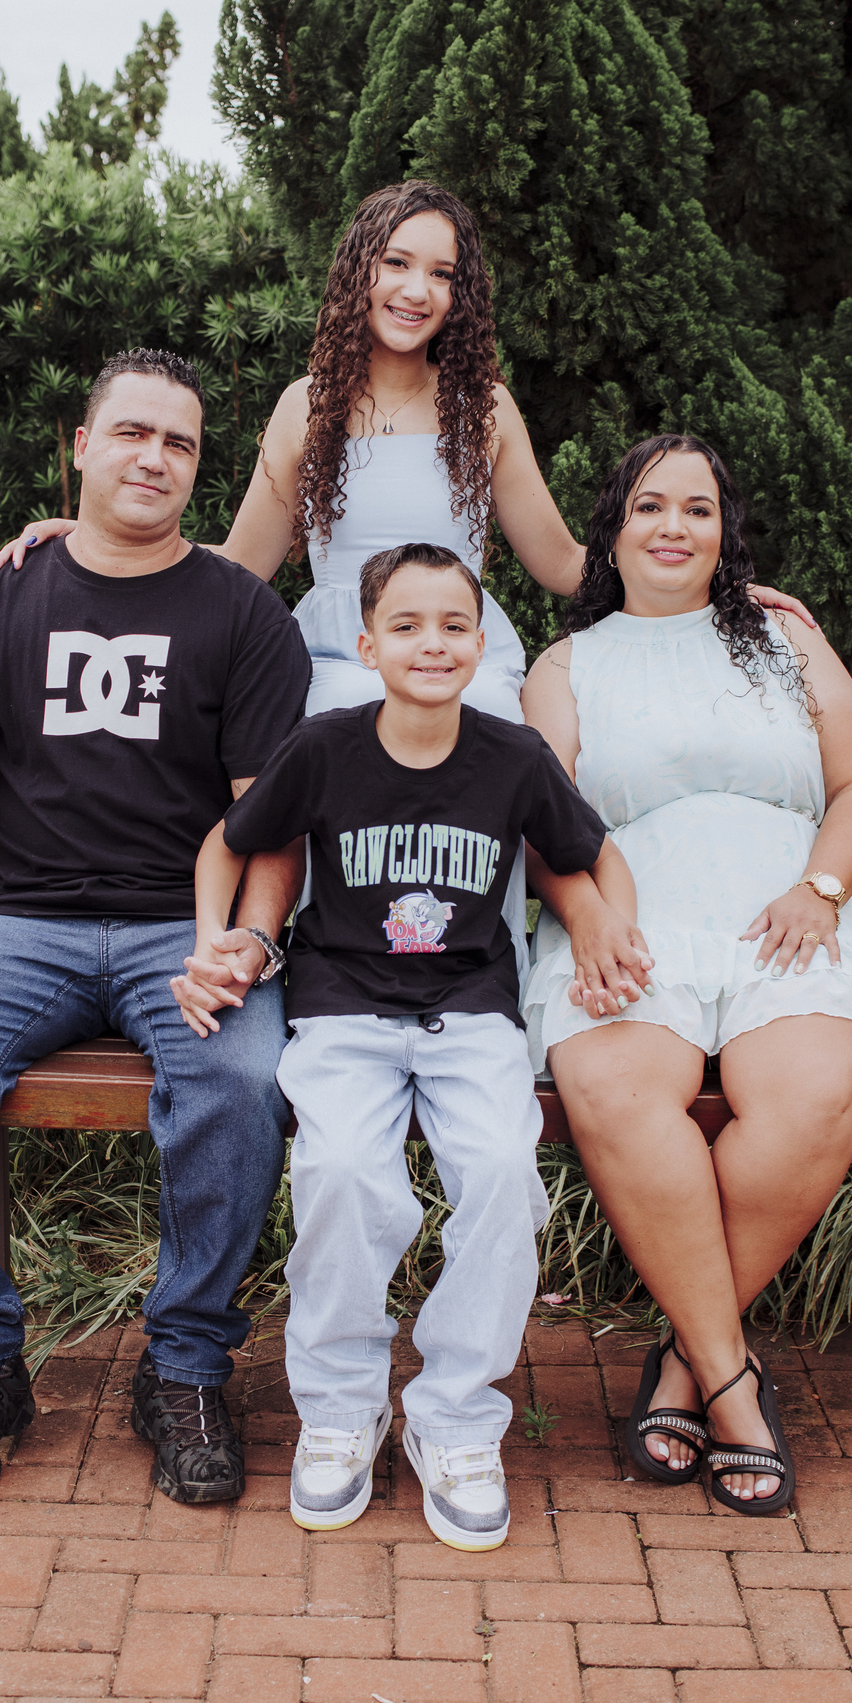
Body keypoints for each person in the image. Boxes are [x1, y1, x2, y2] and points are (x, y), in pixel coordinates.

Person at [0, 181, 813, 983]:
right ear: (360, 272)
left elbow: (564, 563)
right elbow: (238, 564)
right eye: (398, 263)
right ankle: (330, 979)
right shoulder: (307, 406)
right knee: (324, 739)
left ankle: (486, 980)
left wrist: (716, 581)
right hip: (342, 652)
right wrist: (94, 538)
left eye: (442, 274)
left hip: (458, 649)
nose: (418, 290)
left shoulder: (483, 408)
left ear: (461, 296)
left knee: (494, 737)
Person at [0, 347, 312, 1509]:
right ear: (81, 446)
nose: (154, 457)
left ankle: (186, 1369)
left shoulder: (242, 613)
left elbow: (271, 819)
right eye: (132, 433)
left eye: (179, 443)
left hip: (183, 930)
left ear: (198, 468)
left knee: (240, 1075)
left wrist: (250, 942)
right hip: (27, 930)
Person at [175, 542, 648, 1550]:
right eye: (407, 626)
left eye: (453, 625)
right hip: (343, 1011)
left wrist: (613, 930)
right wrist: (218, 938)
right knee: (343, 1173)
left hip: (470, 1014)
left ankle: (456, 1421)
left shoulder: (513, 756)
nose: (432, 644)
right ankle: (342, 1409)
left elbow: (595, 854)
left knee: (502, 1177)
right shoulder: (323, 747)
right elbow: (229, 840)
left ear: (480, 645)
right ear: (367, 646)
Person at [520, 434, 852, 1517]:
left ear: (724, 532)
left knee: (814, 1095)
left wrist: (821, 891)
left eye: (697, 509)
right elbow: (544, 813)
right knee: (614, 1088)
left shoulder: (786, 640)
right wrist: (589, 916)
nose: (673, 527)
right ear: (612, 530)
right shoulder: (566, 666)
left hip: (781, 915)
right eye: (649, 506)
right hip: (627, 919)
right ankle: (733, 1385)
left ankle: (687, 1365)